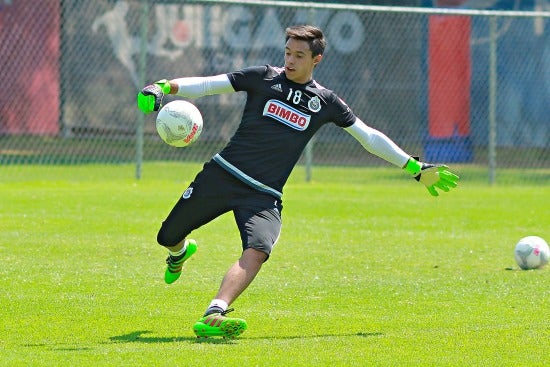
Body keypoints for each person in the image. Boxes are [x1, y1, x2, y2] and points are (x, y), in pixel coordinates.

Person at [137, 25, 459, 338]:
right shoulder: (263, 78)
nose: (290, 60)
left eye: (299, 55)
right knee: (167, 235)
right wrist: (164, 87)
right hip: (223, 175)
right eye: (288, 52)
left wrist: (414, 166)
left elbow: (368, 136)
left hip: (264, 196)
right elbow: (209, 85)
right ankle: (179, 253)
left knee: (258, 248)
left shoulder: (325, 102)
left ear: (316, 60)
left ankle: (215, 312)